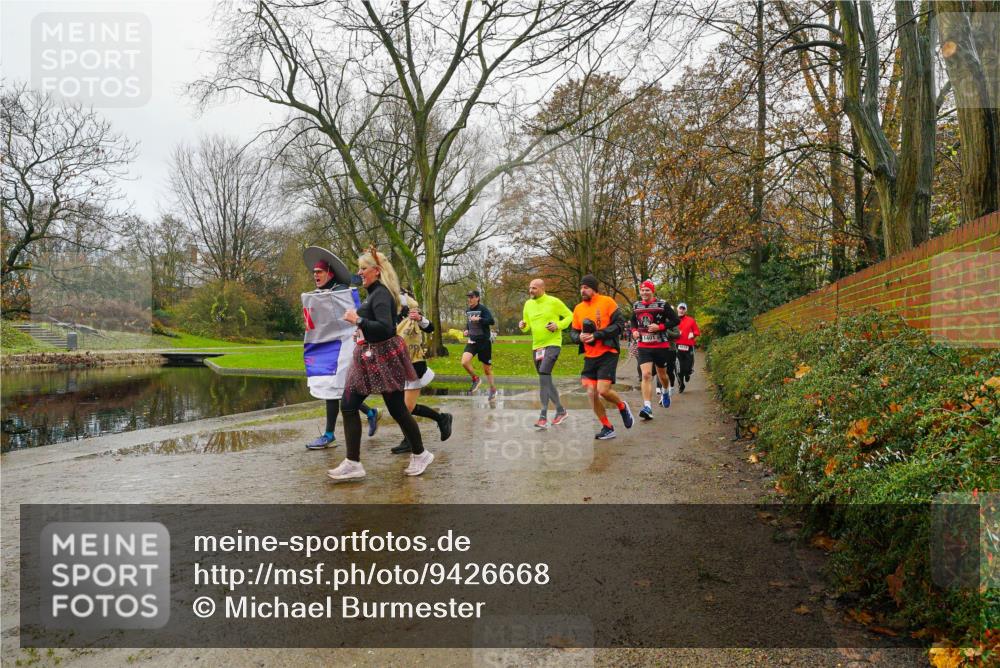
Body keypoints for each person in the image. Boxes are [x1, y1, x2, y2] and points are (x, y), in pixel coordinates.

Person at [326, 248, 433, 481]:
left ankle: (421, 454)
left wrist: (358, 319)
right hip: (368, 356)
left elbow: (386, 328)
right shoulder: (374, 292)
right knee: (348, 404)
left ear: (377, 271)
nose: (359, 272)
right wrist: (361, 325)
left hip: (384, 357)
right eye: (359, 268)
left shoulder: (382, 293)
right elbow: (375, 323)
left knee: (397, 409)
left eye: (363, 268)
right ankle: (353, 462)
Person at [300, 247, 380, 450]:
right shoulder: (319, 294)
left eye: (319, 272)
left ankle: (329, 434)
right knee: (338, 388)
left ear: (330, 273)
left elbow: (353, 312)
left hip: (344, 345)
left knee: (332, 387)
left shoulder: (340, 292)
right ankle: (370, 412)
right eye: (314, 272)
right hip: (327, 346)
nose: (315, 275)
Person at [570, 274, 633, 440]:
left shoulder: (607, 302)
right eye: (581, 287)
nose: (583, 290)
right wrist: (579, 338)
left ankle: (622, 406)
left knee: (603, 390)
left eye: (586, 287)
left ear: (594, 289)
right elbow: (573, 331)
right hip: (590, 356)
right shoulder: (578, 308)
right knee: (591, 393)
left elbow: (619, 325)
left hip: (608, 352)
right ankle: (607, 426)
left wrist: (598, 335)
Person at [391, 290, 454, 454]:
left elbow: (430, 327)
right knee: (402, 407)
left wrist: (419, 318)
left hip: (414, 366)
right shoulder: (388, 317)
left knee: (405, 408)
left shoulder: (410, 317)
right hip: (397, 368)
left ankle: (441, 419)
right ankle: (410, 438)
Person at [518, 278, 573, 429]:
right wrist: (522, 325)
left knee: (544, 374)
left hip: (553, 344)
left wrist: (558, 325)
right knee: (545, 379)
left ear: (542, 288)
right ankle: (561, 411)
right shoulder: (528, 304)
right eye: (530, 288)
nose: (531, 291)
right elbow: (526, 325)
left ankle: (543, 416)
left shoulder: (554, 302)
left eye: (534, 288)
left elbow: (570, 316)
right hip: (537, 347)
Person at [629, 280, 680, 420]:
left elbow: (676, 320)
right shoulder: (636, 305)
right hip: (643, 345)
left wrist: (660, 327)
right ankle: (647, 407)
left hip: (660, 346)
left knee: (662, 375)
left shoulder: (662, 305)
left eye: (647, 290)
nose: (644, 293)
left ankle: (665, 391)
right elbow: (633, 321)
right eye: (642, 290)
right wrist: (634, 331)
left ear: (653, 291)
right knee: (646, 375)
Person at [461, 289, 497, 400]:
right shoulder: (467, 311)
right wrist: (466, 330)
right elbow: (469, 323)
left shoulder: (483, 309)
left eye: (472, 297)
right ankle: (475, 378)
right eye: (469, 297)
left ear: (477, 298)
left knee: (487, 369)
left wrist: (480, 319)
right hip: (472, 341)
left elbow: (491, 321)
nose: (470, 299)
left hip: (484, 342)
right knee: (464, 362)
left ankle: (492, 389)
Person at [675, 302, 701, 393]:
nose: (681, 310)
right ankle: (681, 384)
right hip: (677, 347)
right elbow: (668, 331)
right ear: (677, 309)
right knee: (678, 368)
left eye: (683, 309)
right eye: (680, 308)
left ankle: (688, 373)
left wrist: (693, 334)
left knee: (688, 367)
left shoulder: (691, 320)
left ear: (685, 310)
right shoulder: (673, 320)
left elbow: (697, 332)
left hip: (688, 346)